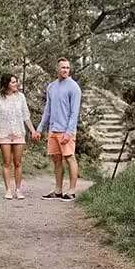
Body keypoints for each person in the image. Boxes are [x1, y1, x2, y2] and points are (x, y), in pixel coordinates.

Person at [37, 57, 82, 201]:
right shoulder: (51, 87)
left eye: (68, 68)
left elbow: (74, 113)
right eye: (63, 67)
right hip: (53, 129)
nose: (65, 70)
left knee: (70, 158)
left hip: (66, 130)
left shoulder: (74, 87)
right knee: (56, 159)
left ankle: (72, 191)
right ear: (57, 69)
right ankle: (58, 190)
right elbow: (48, 110)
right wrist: (39, 128)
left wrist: (69, 133)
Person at [0, 74, 41, 200]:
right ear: (6, 83)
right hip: (4, 134)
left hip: (18, 133)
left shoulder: (21, 97)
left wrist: (33, 131)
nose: (16, 84)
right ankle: (8, 189)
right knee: (6, 162)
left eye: (16, 82)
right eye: (13, 82)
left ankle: (18, 190)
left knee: (18, 163)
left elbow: (26, 116)